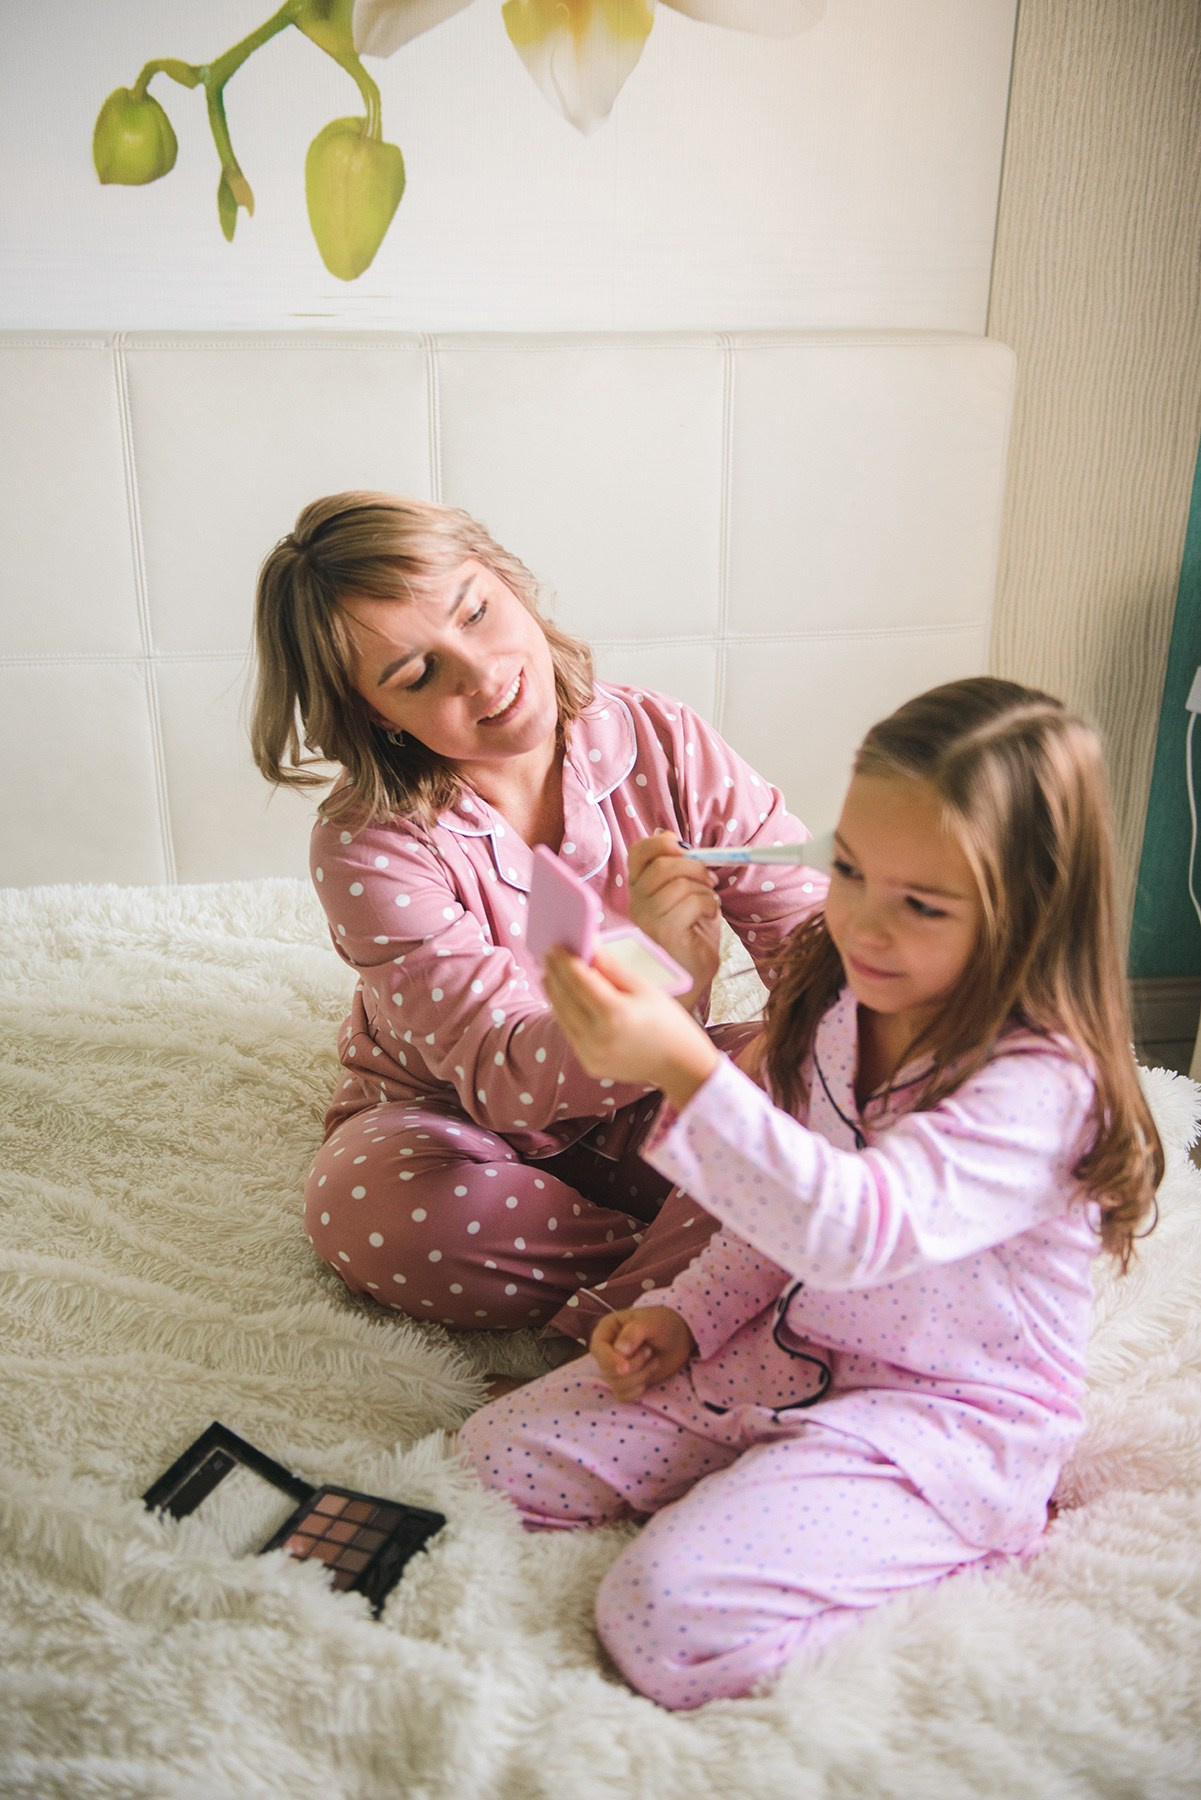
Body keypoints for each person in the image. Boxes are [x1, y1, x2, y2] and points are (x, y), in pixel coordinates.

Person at [459, 677, 1163, 1711]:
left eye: (920, 905)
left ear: (1029, 913)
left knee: (661, 1620)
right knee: (488, 1462)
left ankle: (919, 1542)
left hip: (940, 1423)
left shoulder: (1036, 1089)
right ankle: (767, 1501)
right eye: (848, 870)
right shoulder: (842, 1012)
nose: (863, 925)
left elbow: (851, 1229)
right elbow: (776, 1219)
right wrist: (684, 1318)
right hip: (787, 1357)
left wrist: (682, 1068)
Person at [251, 492, 826, 1346]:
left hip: (660, 1099)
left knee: (826, 1070)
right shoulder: (366, 844)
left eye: (477, 611)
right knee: (362, 1207)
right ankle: (719, 1286)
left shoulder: (661, 739)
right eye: (416, 675)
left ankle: (708, 1283)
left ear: (510, 581)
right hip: (452, 1123)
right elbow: (502, 1076)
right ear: (373, 712)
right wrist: (663, 984)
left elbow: (808, 945)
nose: (481, 675)